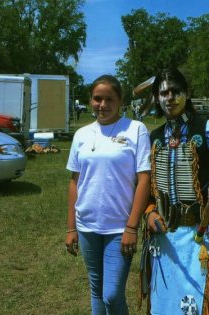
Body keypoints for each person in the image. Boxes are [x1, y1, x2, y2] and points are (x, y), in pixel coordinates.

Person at [140, 68, 209, 315]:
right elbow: (148, 186)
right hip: (163, 235)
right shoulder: (153, 137)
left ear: (187, 93)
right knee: (164, 300)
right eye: (163, 93)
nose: (169, 97)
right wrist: (149, 212)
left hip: (199, 232)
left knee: (199, 297)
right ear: (157, 98)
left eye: (175, 91)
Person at [65, 74, 151, 315]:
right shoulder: (82, 134)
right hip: (87, 225)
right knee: (96, 290)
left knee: (112, 295)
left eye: (108, 99)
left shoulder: (136, 129)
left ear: (120, 100)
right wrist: (71, 228)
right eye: (97, 99)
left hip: (119, 228)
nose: (102, 105)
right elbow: (75, 182)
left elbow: (144, 179)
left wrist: (132, 228)